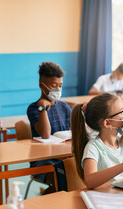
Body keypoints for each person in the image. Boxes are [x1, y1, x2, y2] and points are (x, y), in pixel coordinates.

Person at [71, 93, 123, 189]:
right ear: (107, 123)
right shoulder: (93, 147)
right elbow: (90, 180)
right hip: (106, 199)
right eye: (122, 112)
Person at [27, 61, 71, 194]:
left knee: (79, 173)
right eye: (53, 85)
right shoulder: (34, 108)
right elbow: (45, 134)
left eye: (60, 85)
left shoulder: (64, 107)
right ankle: (48, 197)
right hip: (44, 160)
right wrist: (42, 108)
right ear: (42, 85)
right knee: (65, 178)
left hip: (64, 156)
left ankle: (52, 196)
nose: (57, 89)